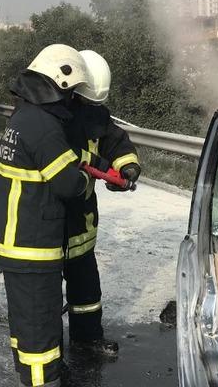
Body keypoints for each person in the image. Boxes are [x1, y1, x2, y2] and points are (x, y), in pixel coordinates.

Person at [0, 44, 105, 387]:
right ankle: (44, 378)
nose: (71, 100)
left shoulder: (22, 116)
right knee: (40, 330)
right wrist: (88, 173)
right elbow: (69, 184)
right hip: (33, 247)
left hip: (15, 244)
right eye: (70, 91)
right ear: (59, 83)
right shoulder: (43, 125)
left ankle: (32, 372)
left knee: (26, 326)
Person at [63, 50, 140, 359]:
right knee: (42, 292)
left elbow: (117, 142)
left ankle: (87, 337)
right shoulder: (50, 118)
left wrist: (127, 168)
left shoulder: (96, 115)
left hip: (81, 217)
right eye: (86, 101)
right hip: (50, 218)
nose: (89, 109)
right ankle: (45, 348)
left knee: (86, 284)